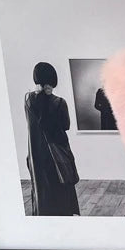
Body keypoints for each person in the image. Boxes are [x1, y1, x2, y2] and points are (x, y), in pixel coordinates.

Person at [25, 62, 80, 216]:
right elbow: (66, 125)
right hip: (57, 154)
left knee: (42, 187)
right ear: (53, 79)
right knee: (61, 186)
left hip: (36, 155)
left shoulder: (28, 101)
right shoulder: (60, 102)